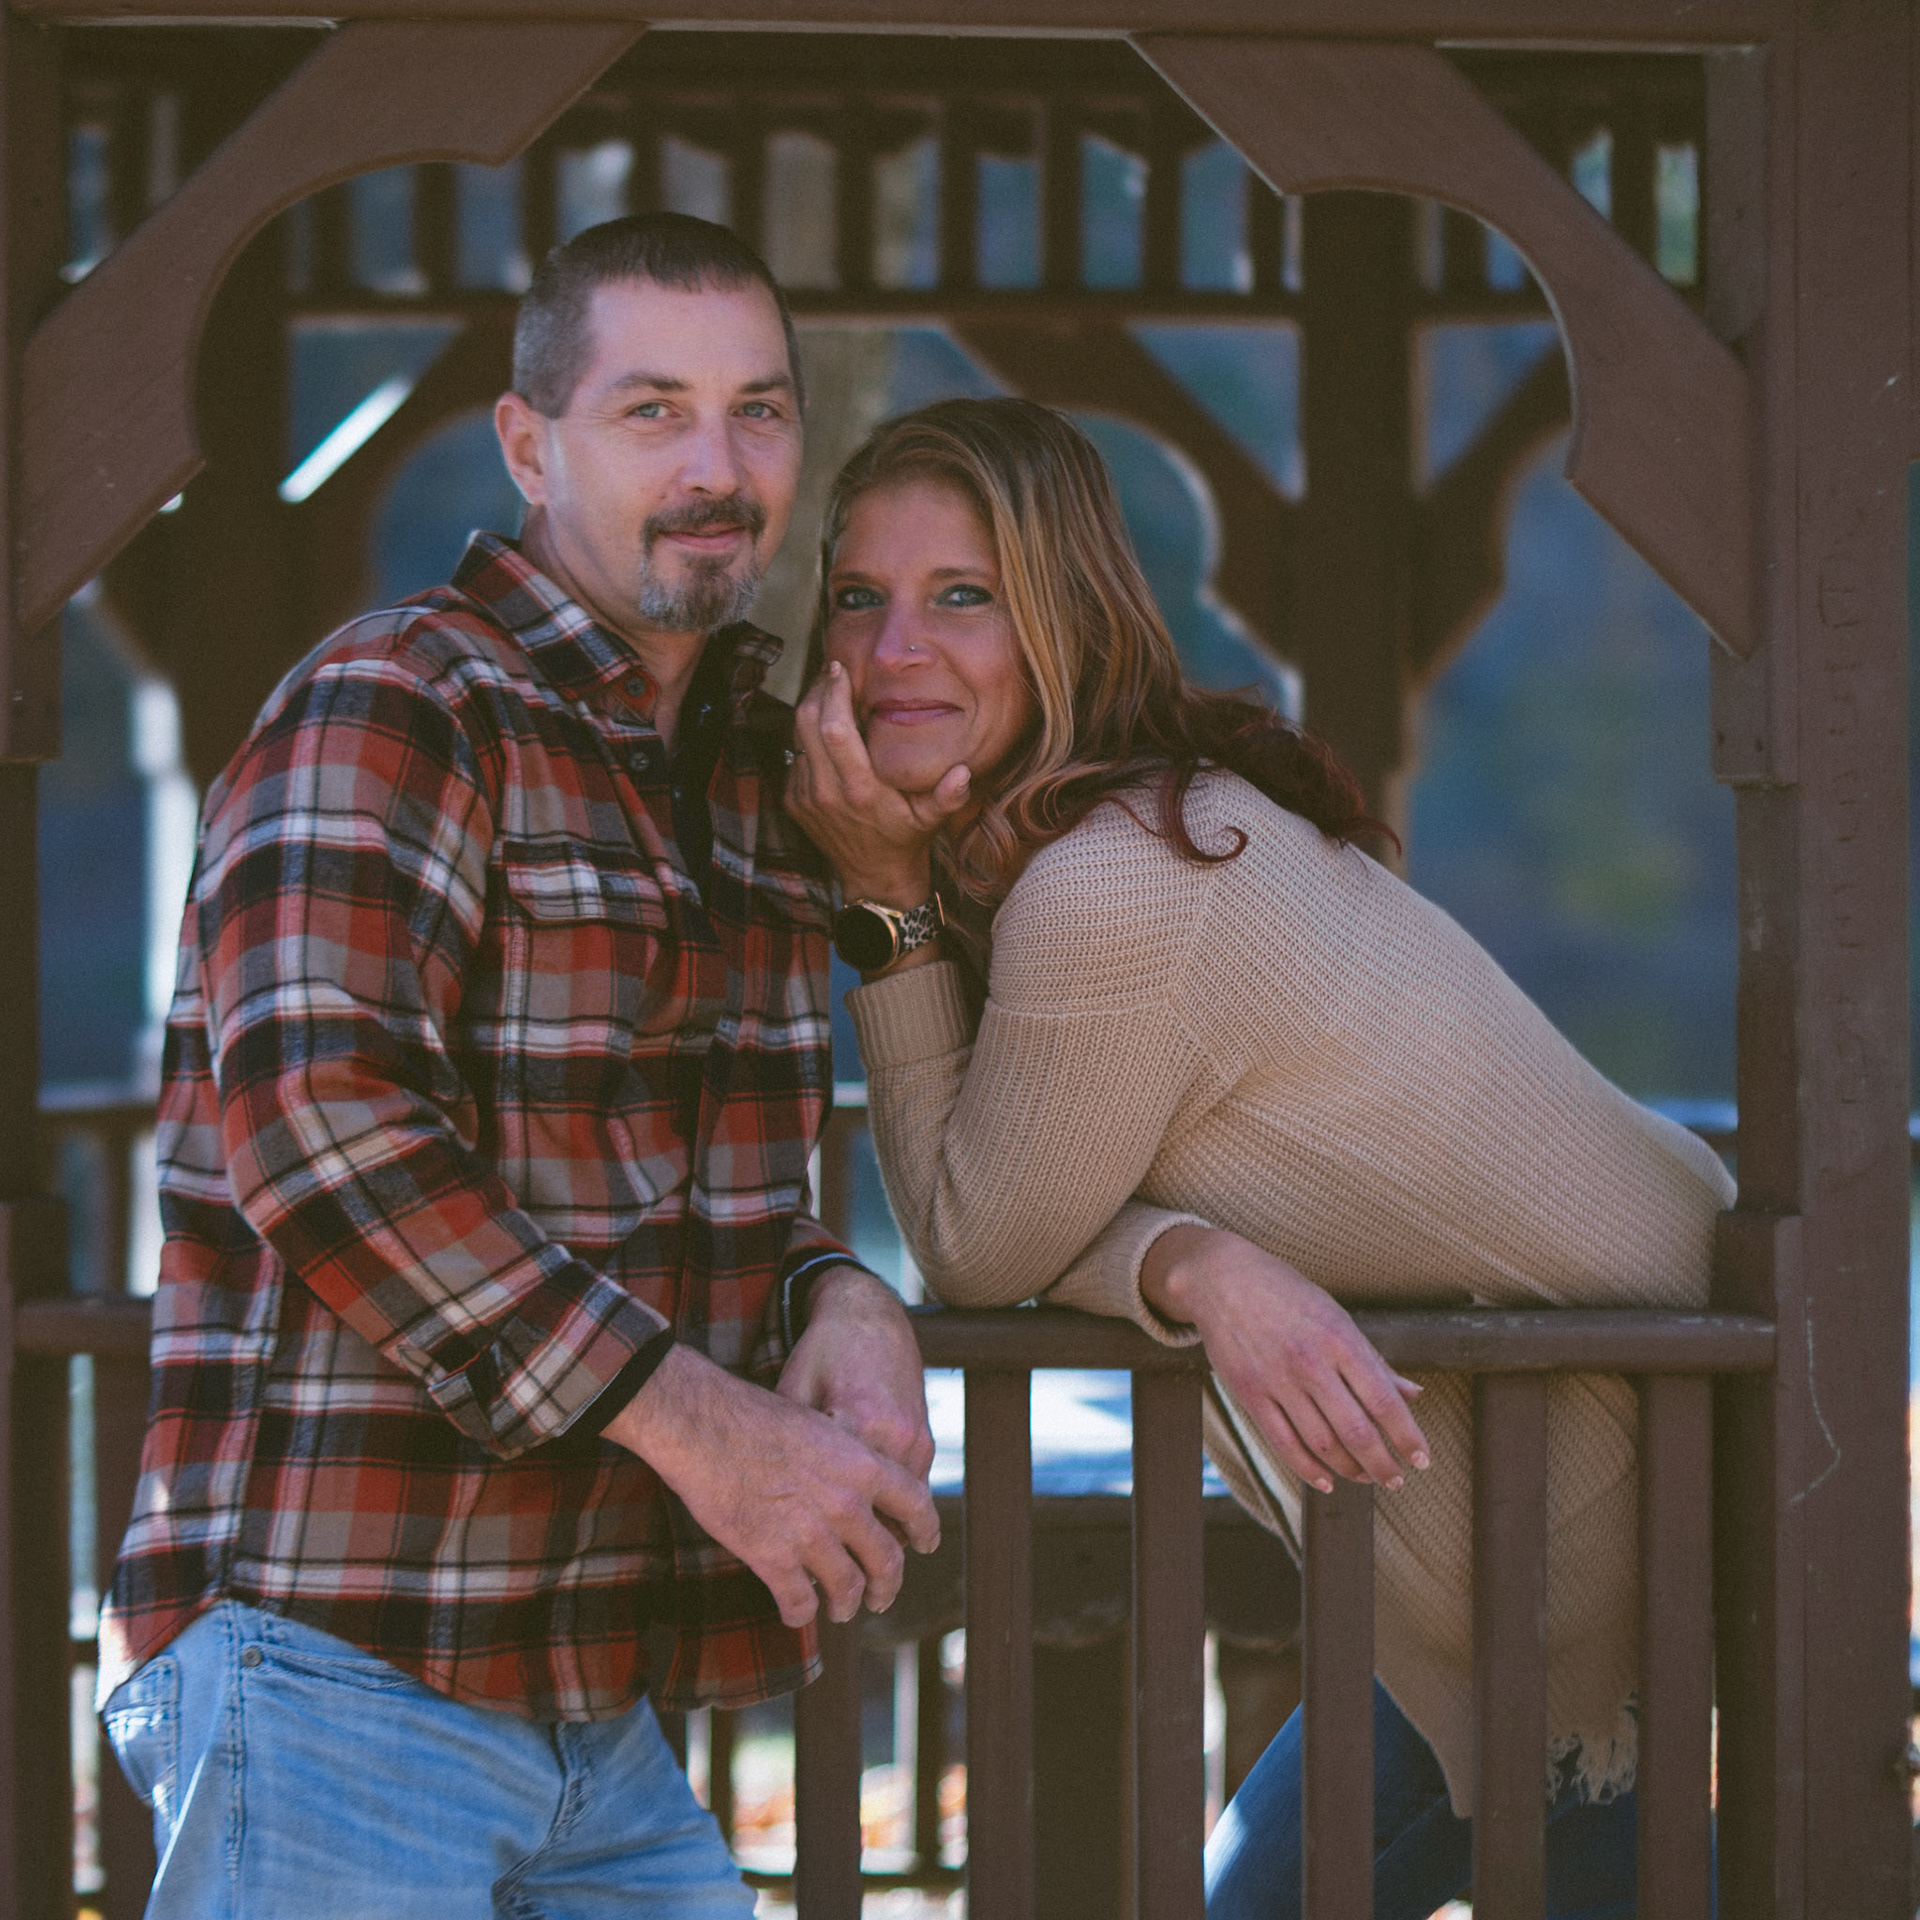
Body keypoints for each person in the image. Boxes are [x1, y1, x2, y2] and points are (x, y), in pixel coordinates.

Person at [784, 396, 1734, 1919]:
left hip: (1607, 1556)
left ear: (1067, 619)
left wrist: (885, 910)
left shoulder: (1114, 882)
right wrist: (1193, 1264)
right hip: (1471, 1579)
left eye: (962, 594)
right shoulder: (1108, 836)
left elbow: (972, 1241)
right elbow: (1023, 1208)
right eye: (857, 595)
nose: (896, 648)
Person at [97, 213, 940, 1919]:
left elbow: (676, 1192)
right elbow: (329, 1136)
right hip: (332, 1661)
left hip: (587, 1707)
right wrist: (710, 1432)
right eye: (652, 411)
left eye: (759, 412)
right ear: (529, 443)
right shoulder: (397, 703)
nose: (716, 470)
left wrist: (837, 1285)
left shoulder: (747, 774)